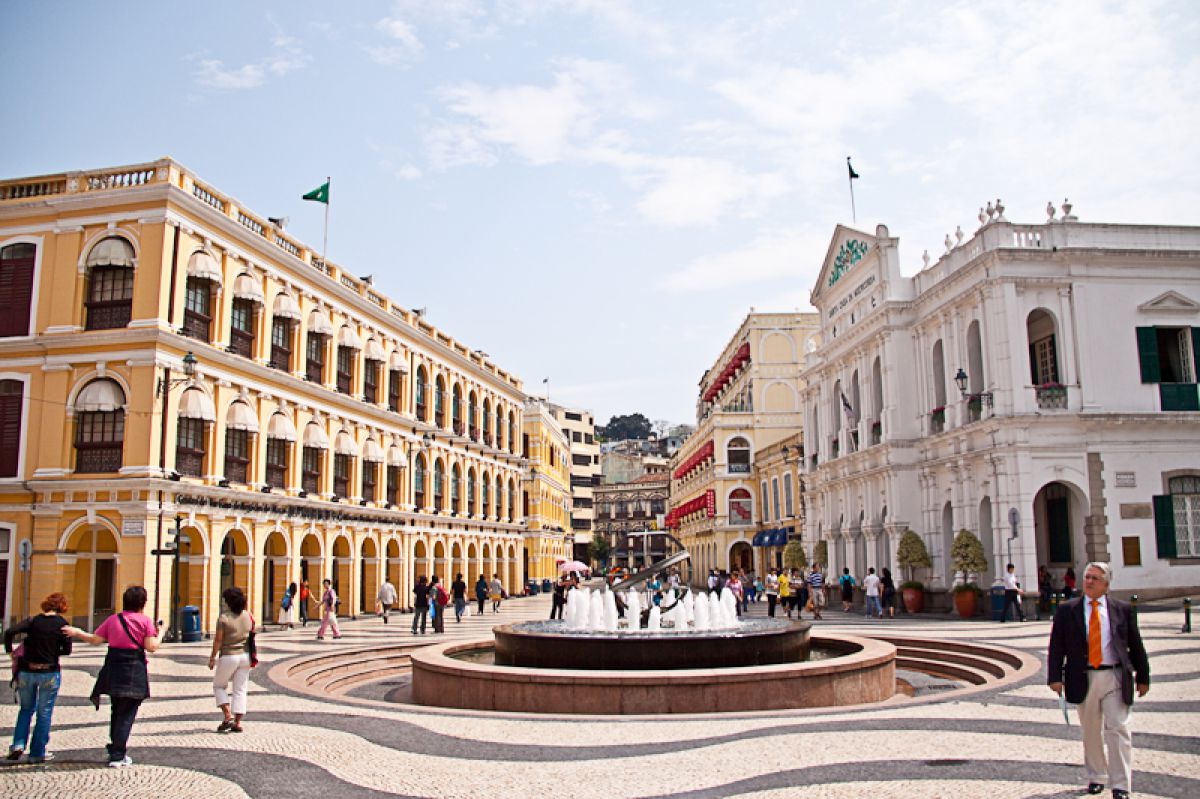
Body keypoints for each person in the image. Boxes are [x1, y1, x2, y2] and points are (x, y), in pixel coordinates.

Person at [1047, 562, 1150, 799]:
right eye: (1087, 577)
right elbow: (1057, 645)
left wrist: (1143, 676)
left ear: (1106, 584)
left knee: (1119, 728)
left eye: (1095, 578)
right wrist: (1055, 677)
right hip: (1083, 676)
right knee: (1091, 730)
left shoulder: (1121, 609)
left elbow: (1134, 644)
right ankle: (1096, 776)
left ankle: (1121, 784)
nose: (1089, 582)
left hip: (1114, 674)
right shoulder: (1068, 610)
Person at [63, 585, 161, 768]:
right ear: (143, 603)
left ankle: (115, 748)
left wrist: (77, 632)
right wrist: (161, 633)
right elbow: (151, 646)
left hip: (114, 666)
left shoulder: (113, 620)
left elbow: (95, 640)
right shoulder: (145, 621)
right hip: (133, 668)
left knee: (117, 710)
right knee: (127, 712)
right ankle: (117, 754)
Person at [4, 592, 72, 762]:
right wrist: (55, 650)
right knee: (44, 712)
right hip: (49, 672)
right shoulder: (62, 624)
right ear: (62, 607)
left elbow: (9, 632)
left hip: (27, 671)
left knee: (26, 709)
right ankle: (37, 752)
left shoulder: (33, 621)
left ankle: (18, 745)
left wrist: (9, 651)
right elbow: (67, 650)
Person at [209, 586, 253, 733]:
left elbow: (218, 640)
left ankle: (227, 714)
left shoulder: (224, 618)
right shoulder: (248, 616)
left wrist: (212, 657)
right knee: (240, 689)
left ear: (228, 602)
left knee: (218, 686)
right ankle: (238, 722)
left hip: (229, 655)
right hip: (245, 656)